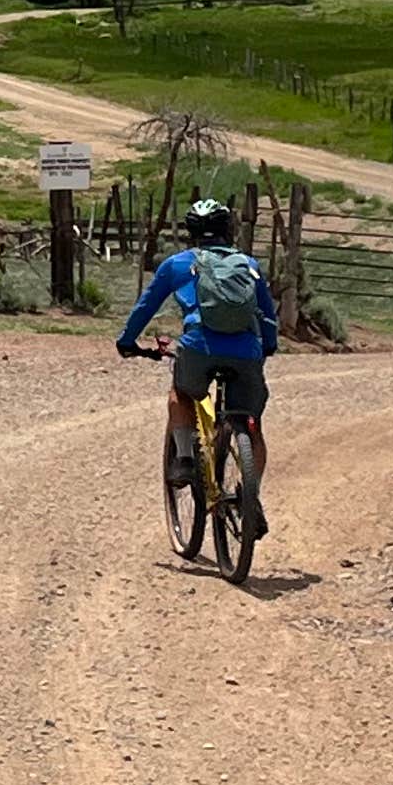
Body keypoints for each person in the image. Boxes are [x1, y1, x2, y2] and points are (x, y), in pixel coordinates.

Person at [117, 195, 278, 544]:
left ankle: (186, 461)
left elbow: (145, 308)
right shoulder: (248, 264)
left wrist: (127, 342)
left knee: (182, 394)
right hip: (246, 352)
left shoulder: (177, 264)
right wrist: (266, 346)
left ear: (191, 232)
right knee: (251, 425)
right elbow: (268, 317)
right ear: (227, 230)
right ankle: (249, 495)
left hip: (199, 348)